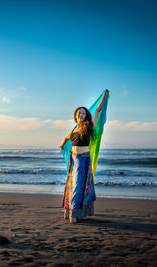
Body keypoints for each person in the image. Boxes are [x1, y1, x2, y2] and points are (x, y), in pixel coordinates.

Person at [59, 90, 109, 223]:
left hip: (83, 159)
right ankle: (70, 210)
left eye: (83, 113)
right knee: (71, 185)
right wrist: (62, 145)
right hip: (73, 159)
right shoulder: (74, 129)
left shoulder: (88, 126)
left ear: (86, 115)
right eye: (79, 112)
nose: (81, 114)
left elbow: (97, 111)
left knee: (78, 186)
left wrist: (103, 98)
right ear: (75, 115)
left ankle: (74, 214)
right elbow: (67, 137)